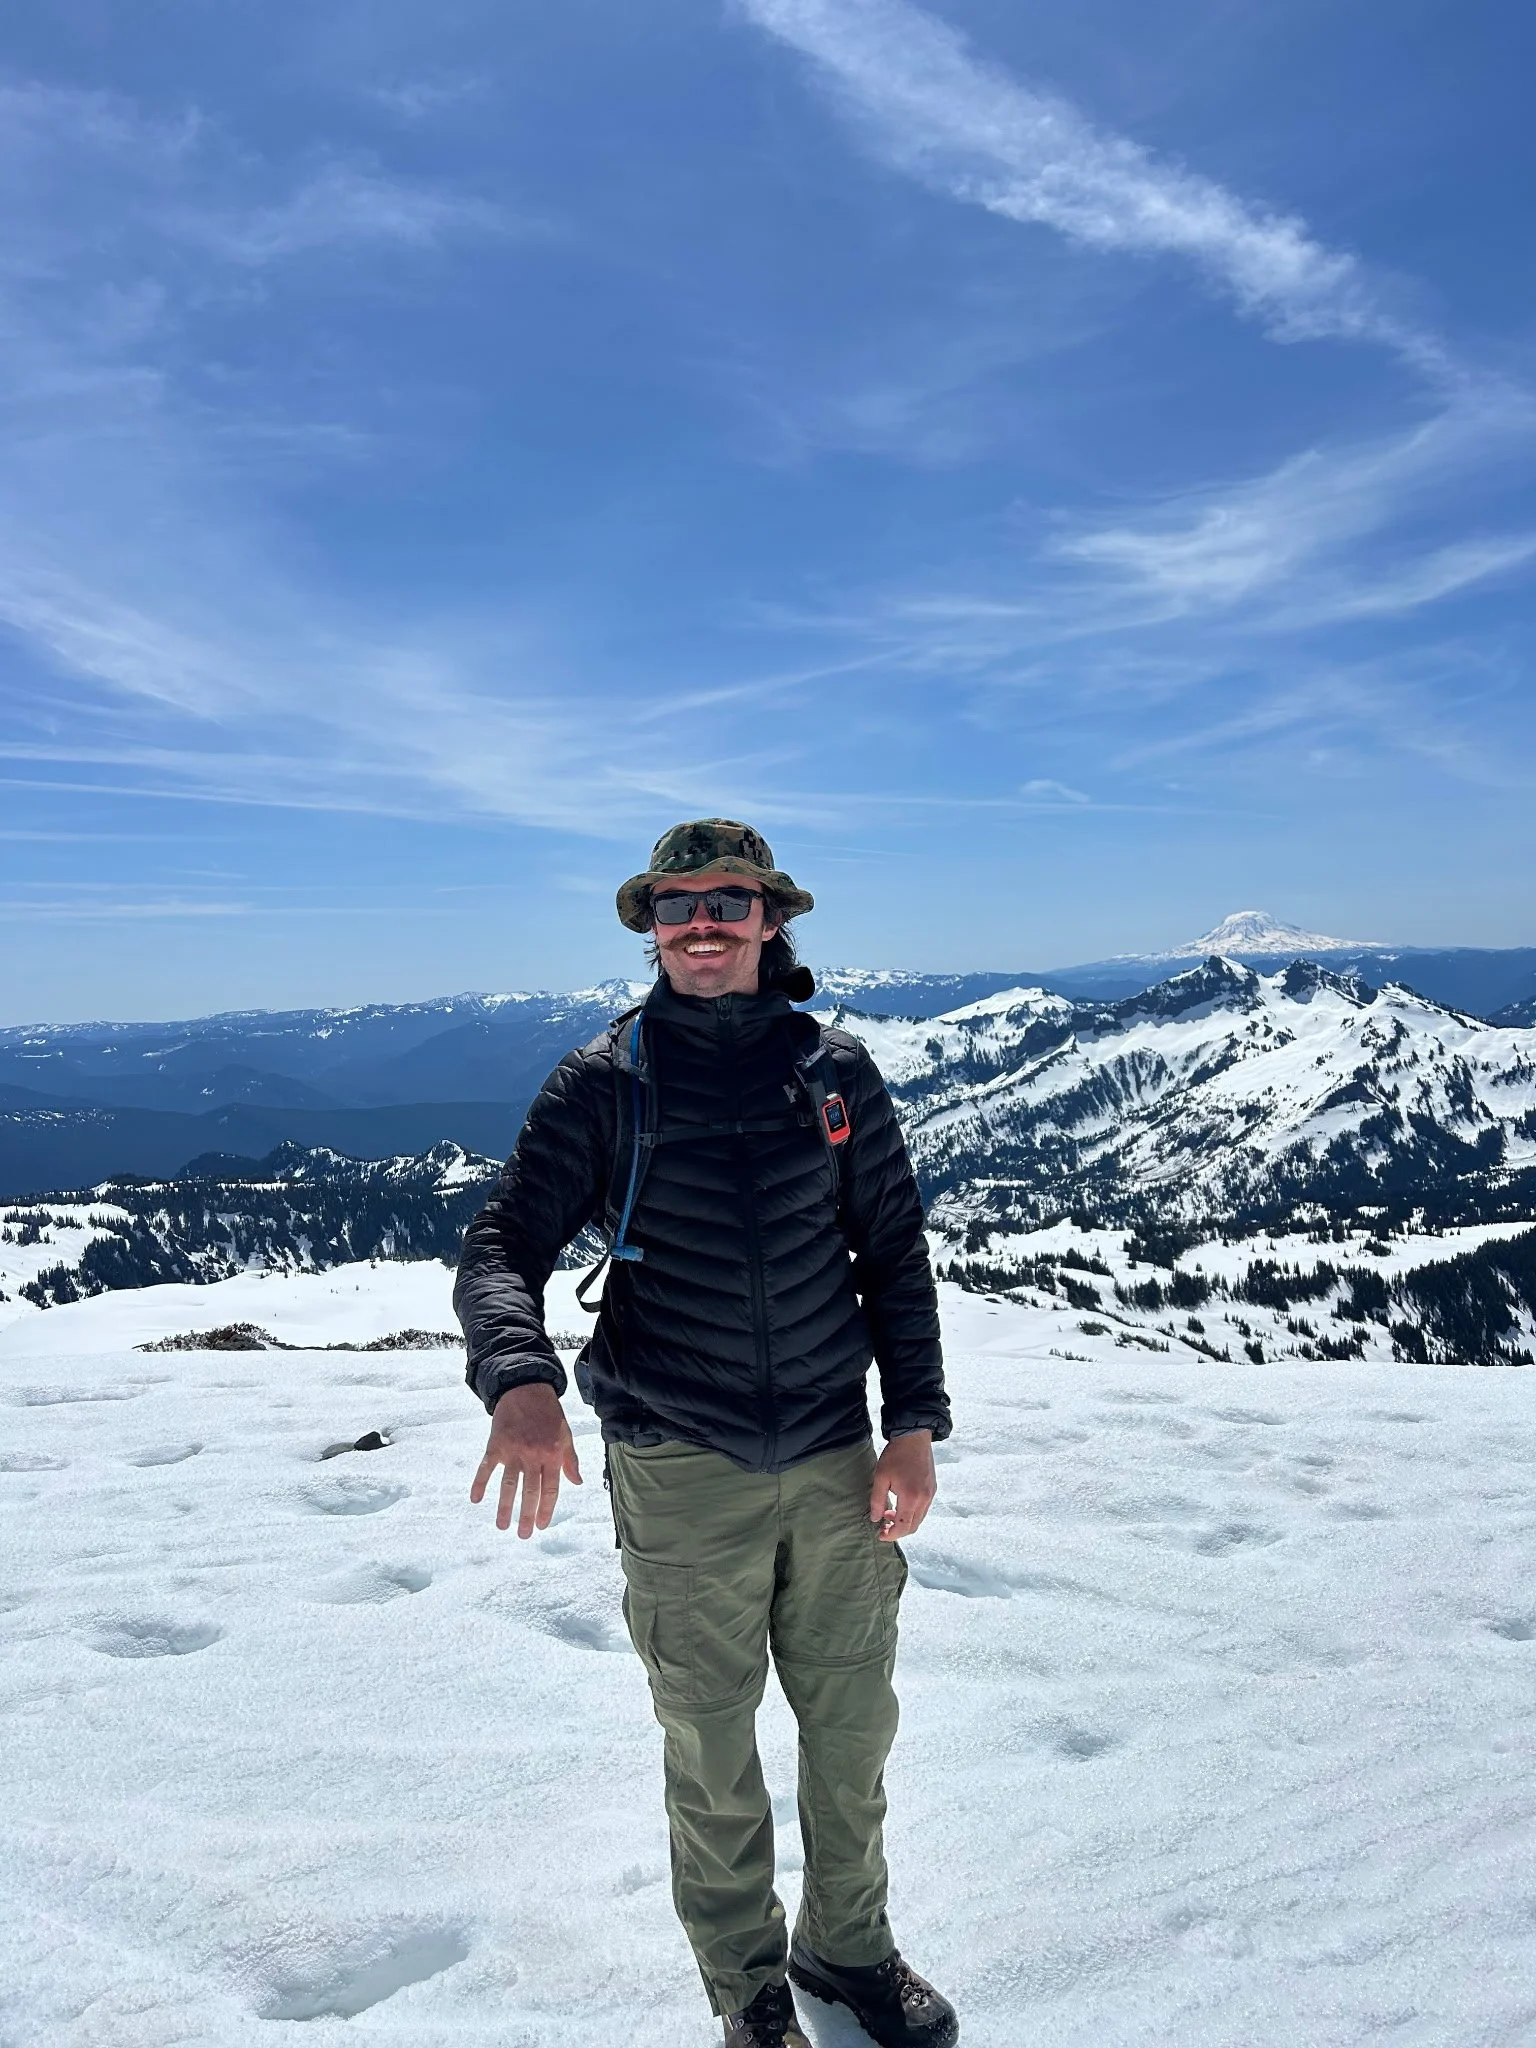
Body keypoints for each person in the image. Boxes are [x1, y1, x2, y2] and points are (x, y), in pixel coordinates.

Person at [455, 819, 958, 2048]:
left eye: (727, 901)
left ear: (771, 918)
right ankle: (748, 1989)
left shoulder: (832, 1070)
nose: (702, 922)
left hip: (839, 1455)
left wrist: (916, 1425)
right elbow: (502, 1247)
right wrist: (519, 1377)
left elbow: (892, 1252)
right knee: (713, 1740)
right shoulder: (606, 1082)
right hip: (681, 1457)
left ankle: (848, 1946)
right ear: (650, 924)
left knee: (851, 1723)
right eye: (677, 903)